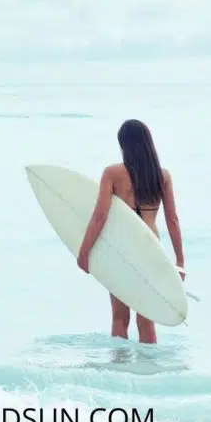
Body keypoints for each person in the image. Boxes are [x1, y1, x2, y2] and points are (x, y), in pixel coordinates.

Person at [76, 119, 185, 345]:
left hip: (123, 248)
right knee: (147, 319)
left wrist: (84, 252)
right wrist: (180, 260)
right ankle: (149, 371)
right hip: (149, 248)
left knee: (119, 316)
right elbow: (172, 220)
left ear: (124, 145)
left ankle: (118, 370)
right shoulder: (162, 176)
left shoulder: (113, 174)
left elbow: (99, 216)